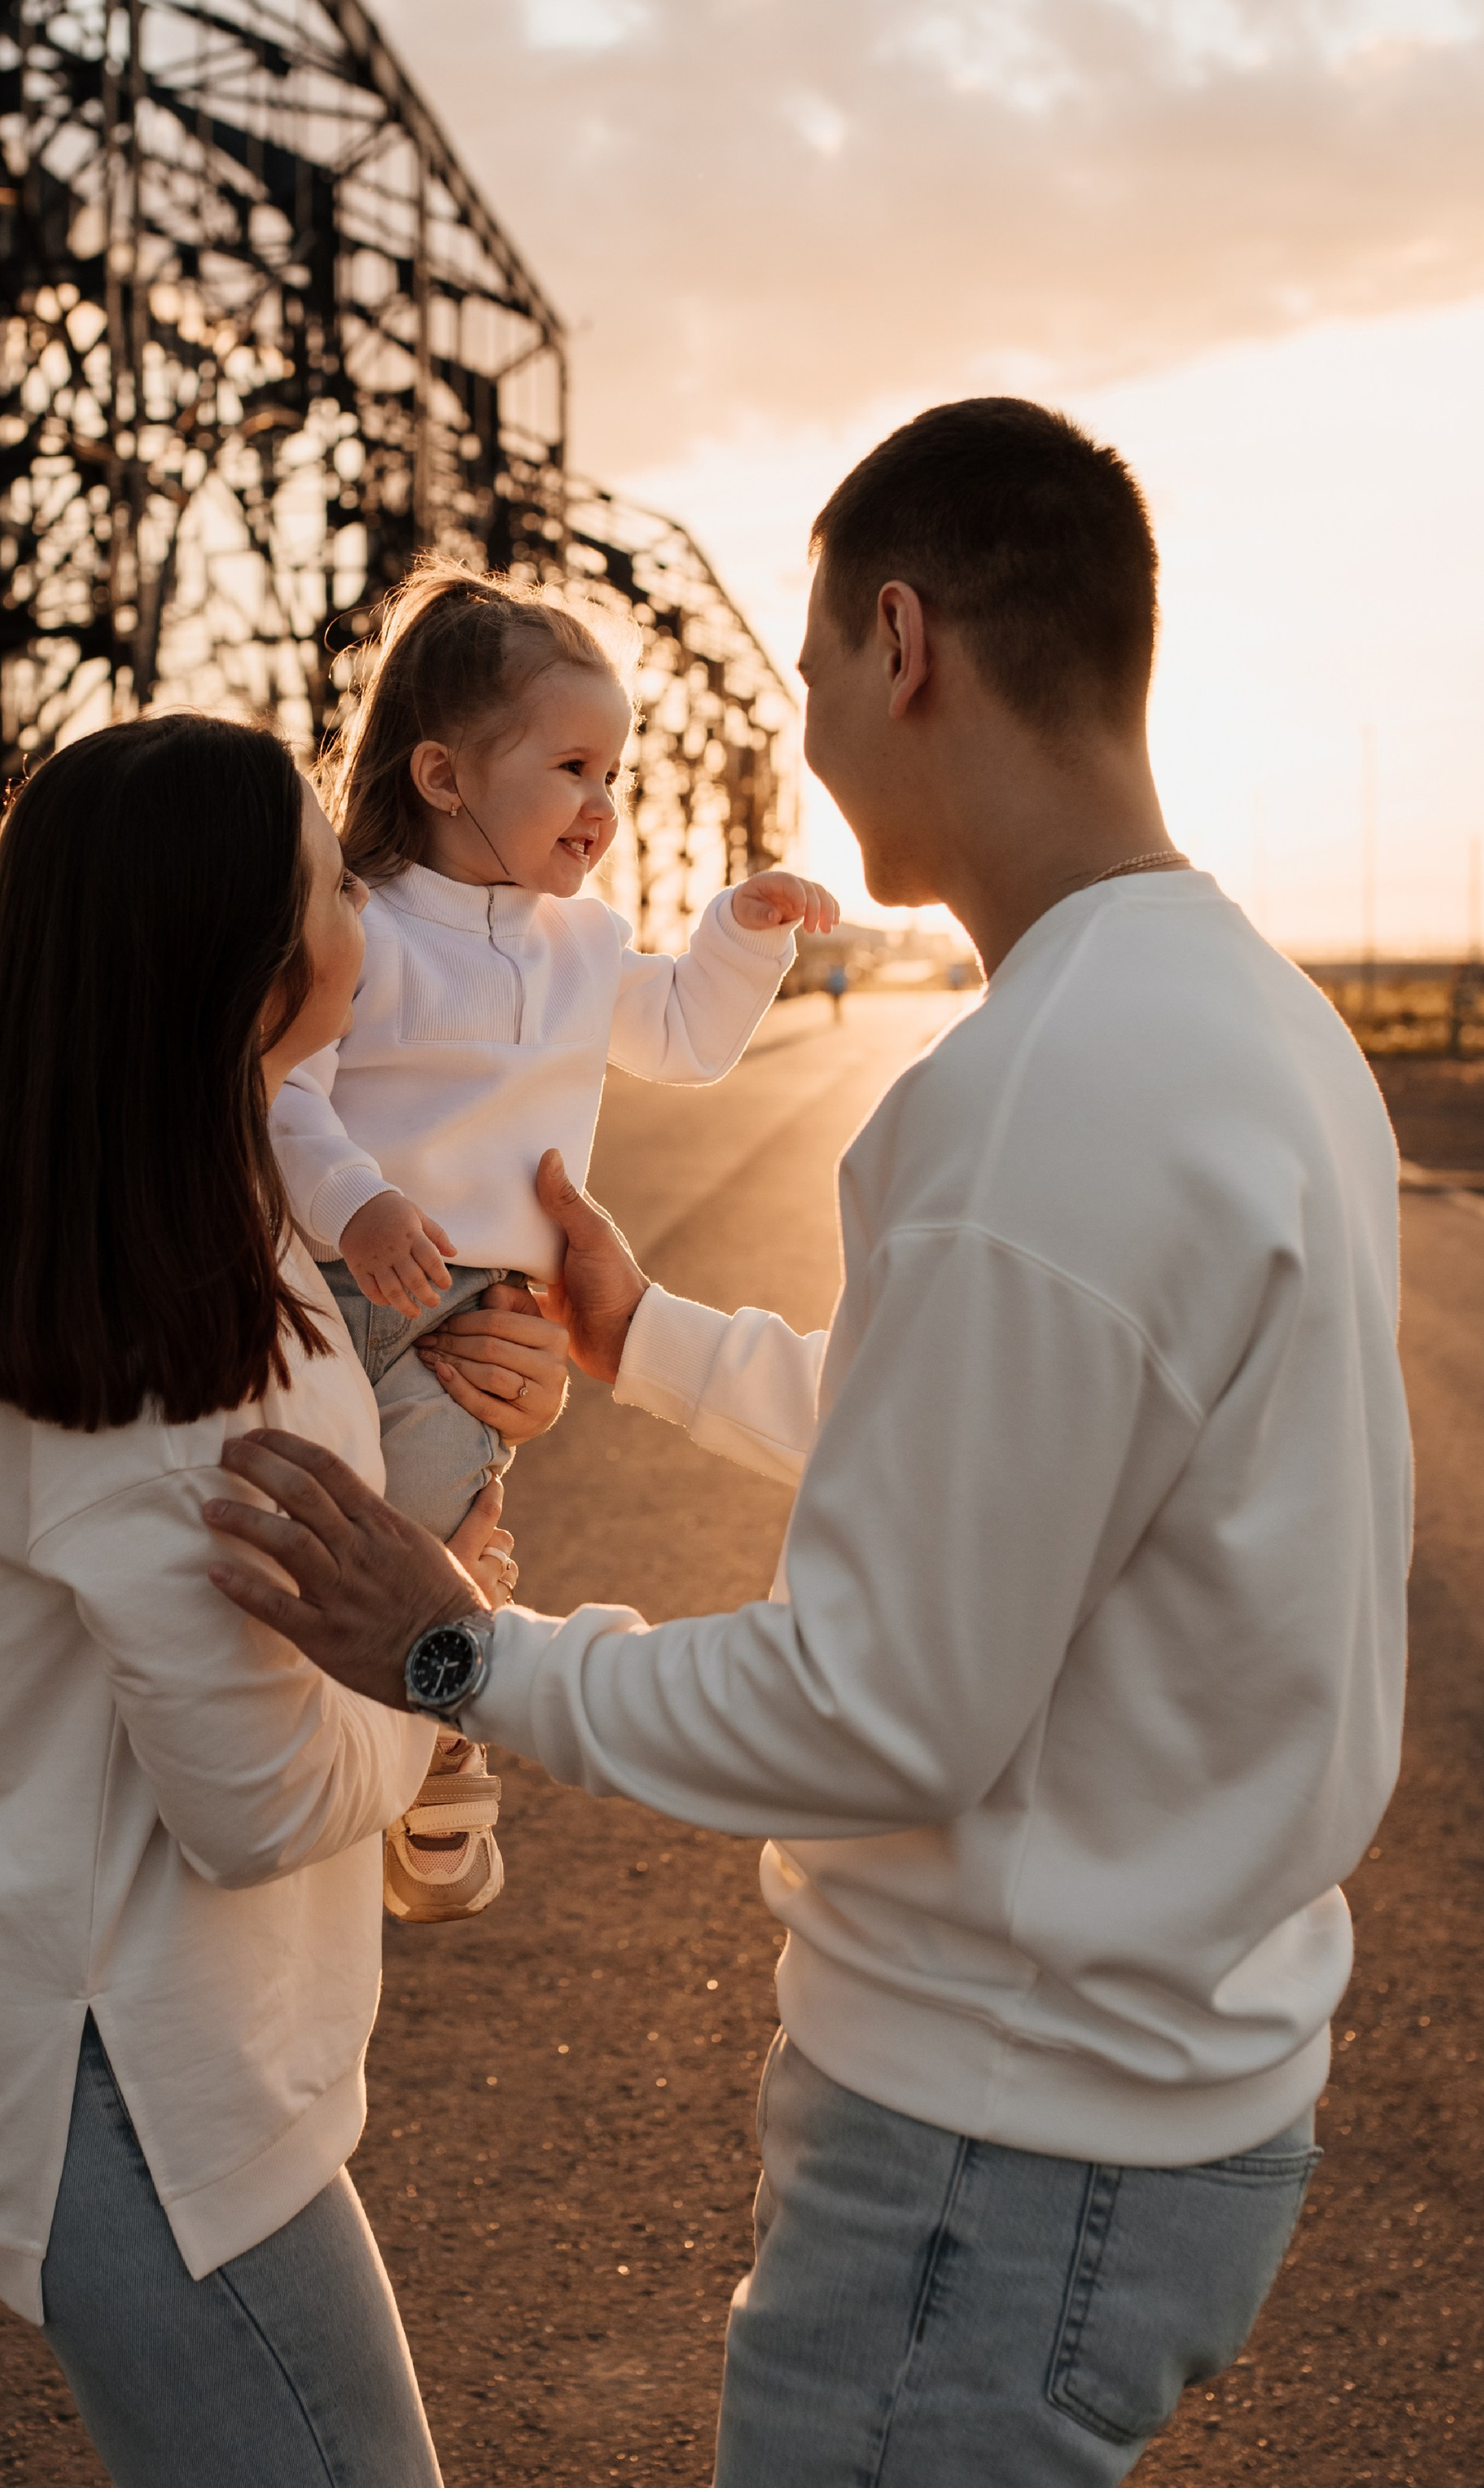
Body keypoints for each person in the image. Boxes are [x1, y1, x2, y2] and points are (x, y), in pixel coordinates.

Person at [204, 399, 1412, 2486]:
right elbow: (1017, 1456)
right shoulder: (1249, 1022)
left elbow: (882, 1703)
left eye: (806, 680)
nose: (805, 736)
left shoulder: (1040, 1089)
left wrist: (456, 1657)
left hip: (994, 2146)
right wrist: (646, 1337)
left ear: (900, 639)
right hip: (1165, 2085)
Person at [0, 712, 567, 2488]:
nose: (366, 896)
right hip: (130, 2083)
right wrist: (447, 1649)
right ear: (250, 974)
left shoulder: (141, 1228)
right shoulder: (162, 1362)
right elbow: (253, 1799)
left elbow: (310, 1539)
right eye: (330, 876)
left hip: (104, 2027)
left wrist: (485, 1397)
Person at [271, 558, 837, 1918]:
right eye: (574, 767)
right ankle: (357, 1737)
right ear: (446, 776)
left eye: (616, 773)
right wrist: (360, 1199)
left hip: (478, 1314)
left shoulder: (585, 947)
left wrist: (739, 936)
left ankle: (433, 1731)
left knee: (426, 1514)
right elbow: (286, 1095)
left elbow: (688, 1039)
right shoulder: (363, 926)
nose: (603, 803)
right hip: (341, 1267)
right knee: (324, 1517)